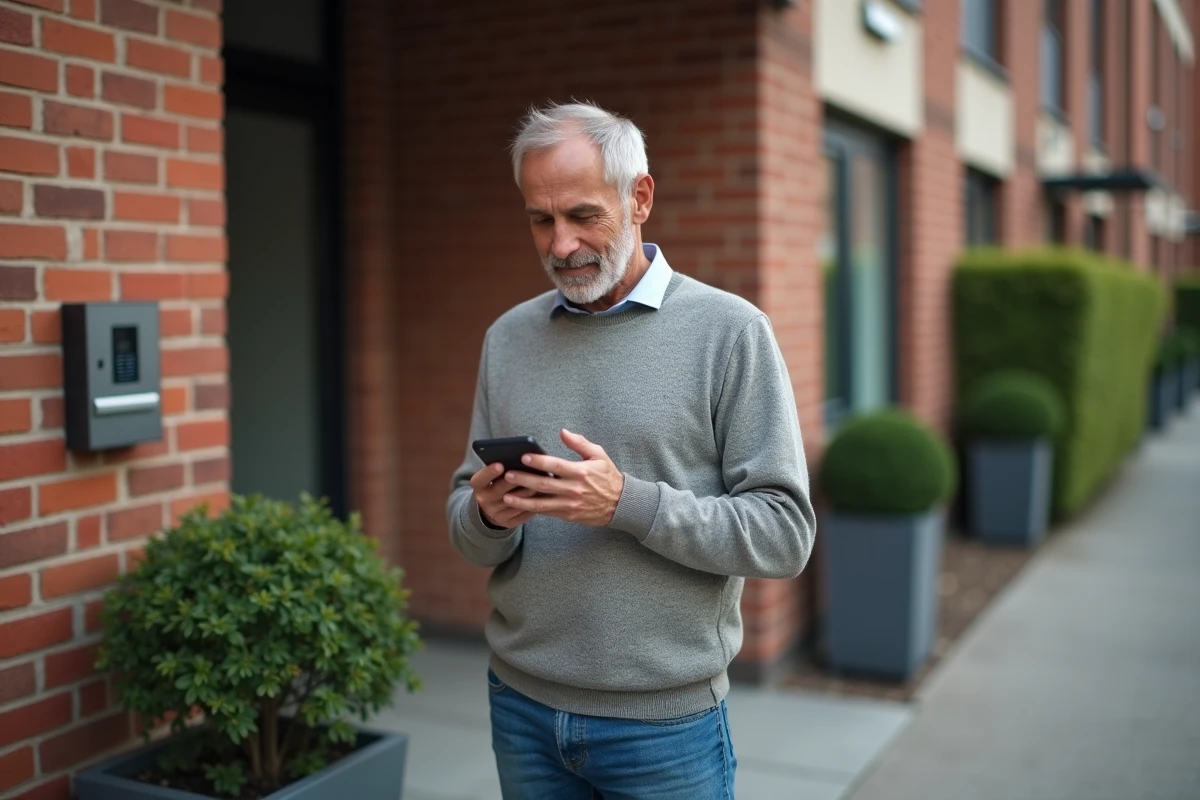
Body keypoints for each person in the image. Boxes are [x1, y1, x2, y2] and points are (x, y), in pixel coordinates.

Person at [446, 101, 816, 799]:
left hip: (664, 729)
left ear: (640, 197)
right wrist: (490, 516)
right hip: (521, 706)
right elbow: (468, 531)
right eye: (540, 219)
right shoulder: (508, 338)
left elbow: (784, 535)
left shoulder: (730, 333)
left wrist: (626, 503)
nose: (560, 245)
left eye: (583, 216)